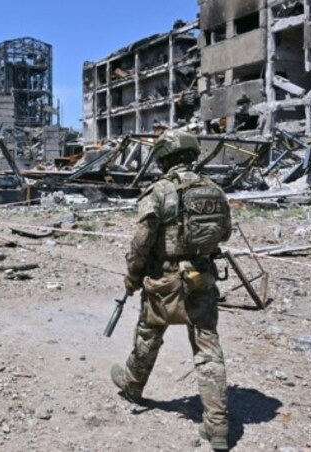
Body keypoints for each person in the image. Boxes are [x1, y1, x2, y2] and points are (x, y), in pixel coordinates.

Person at [111, 130, 232, 451]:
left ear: (163, 158)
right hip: (201, 278)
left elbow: (141, 243)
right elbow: (226, 233)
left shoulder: (160, 191)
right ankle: (217, 427)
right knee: (208, 349)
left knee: (149, 332)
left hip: (164, 280)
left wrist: (133, 277)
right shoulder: (214, 190)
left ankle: (133, 385)